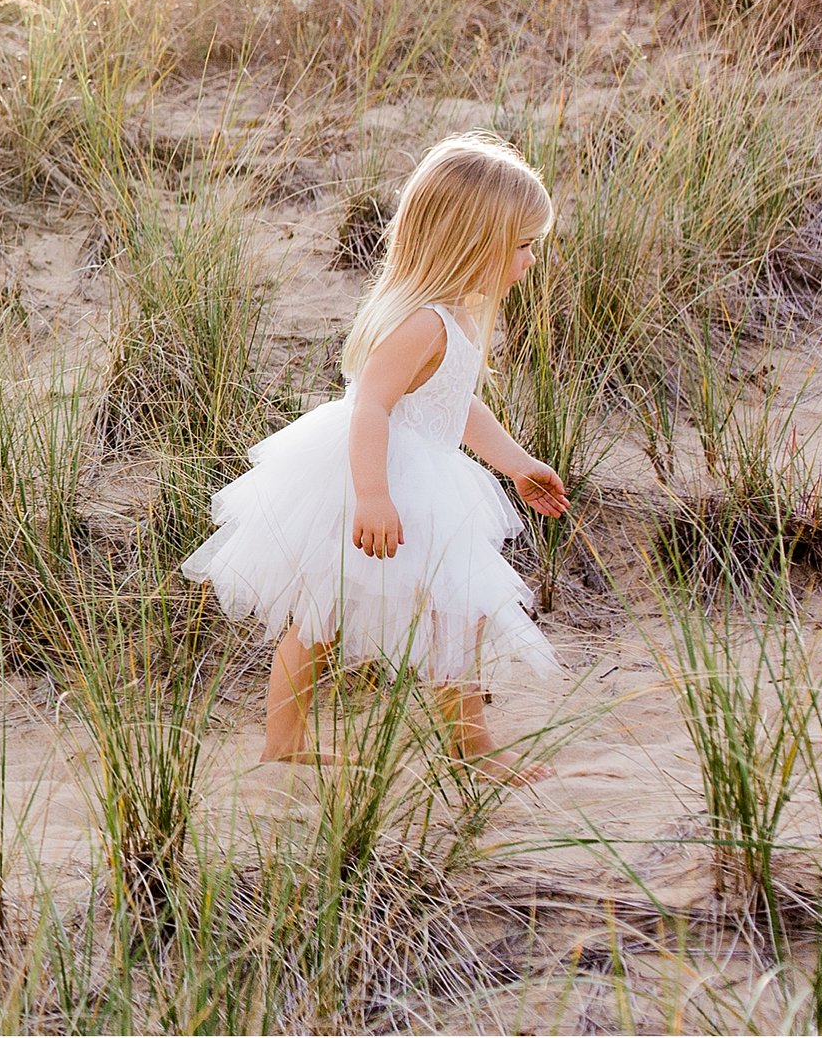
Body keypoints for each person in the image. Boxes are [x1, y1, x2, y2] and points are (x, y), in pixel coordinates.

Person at [181, 135, 568, 777]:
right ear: (476, 243)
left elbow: (456, 409)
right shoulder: (422, 322)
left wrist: (519, 464)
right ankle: (295, 741)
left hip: (422, 474)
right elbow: (372, 407)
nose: (531, 260)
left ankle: (462, 743)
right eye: (523, 245)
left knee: (443, 613)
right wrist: (374, 495)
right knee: (326, 616)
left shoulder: (458, 317)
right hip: (379, 478)